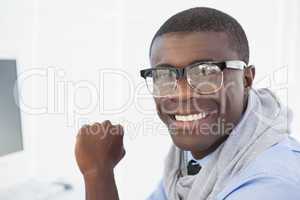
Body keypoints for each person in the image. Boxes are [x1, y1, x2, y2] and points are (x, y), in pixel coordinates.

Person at [74, 7, 300, 200]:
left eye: (205, 72)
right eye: (164, 75)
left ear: (246, 79)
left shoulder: (273, 184)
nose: (181, 94)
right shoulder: (187, 162)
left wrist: (98, 173)